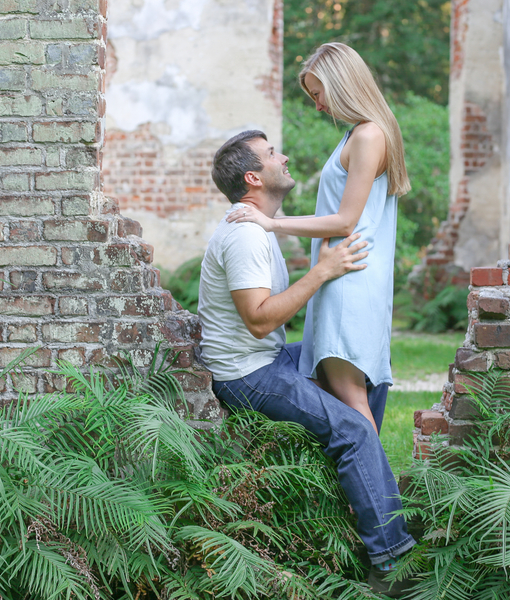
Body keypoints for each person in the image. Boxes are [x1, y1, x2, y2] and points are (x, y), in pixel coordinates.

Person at [198, 130, 415, 597]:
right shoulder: (245, 237)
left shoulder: (263, 227)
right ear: (254, 177)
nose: (286, 156)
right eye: (273, 153)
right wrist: (323, 271)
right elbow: (258, 321)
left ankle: (369, 493)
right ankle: (392, 562)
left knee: (356, 363)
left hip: (269, 357)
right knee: (353, 430)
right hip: (246, 374)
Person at [227, 43, 408, 435]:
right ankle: (358, 496)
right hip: (345, 275)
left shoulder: (368, 136)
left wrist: (273, 225)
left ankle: (380, 498)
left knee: (351, 401)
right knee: (347, 394)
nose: (317, 105)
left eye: (317, 92)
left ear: (340, 82)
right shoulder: (358, 134)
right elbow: (337, 213)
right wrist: (284, 218)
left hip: (348, 280)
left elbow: (344, 222)